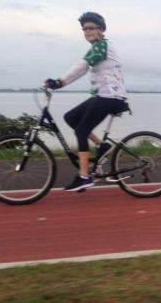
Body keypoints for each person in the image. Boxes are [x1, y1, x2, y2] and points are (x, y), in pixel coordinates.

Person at [44, 12, 128, 192]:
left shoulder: (103, 45)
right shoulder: (96, 48)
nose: (87, 31)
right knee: (70, 117)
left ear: (101, 29)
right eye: (84, 29)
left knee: (81, 130)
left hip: (111, 97)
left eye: (91, 28)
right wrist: (60, 83)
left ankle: (84, 177)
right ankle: (102, 145)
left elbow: (81, 66)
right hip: (102, 96)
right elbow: (82, 69)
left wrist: (58, 82)